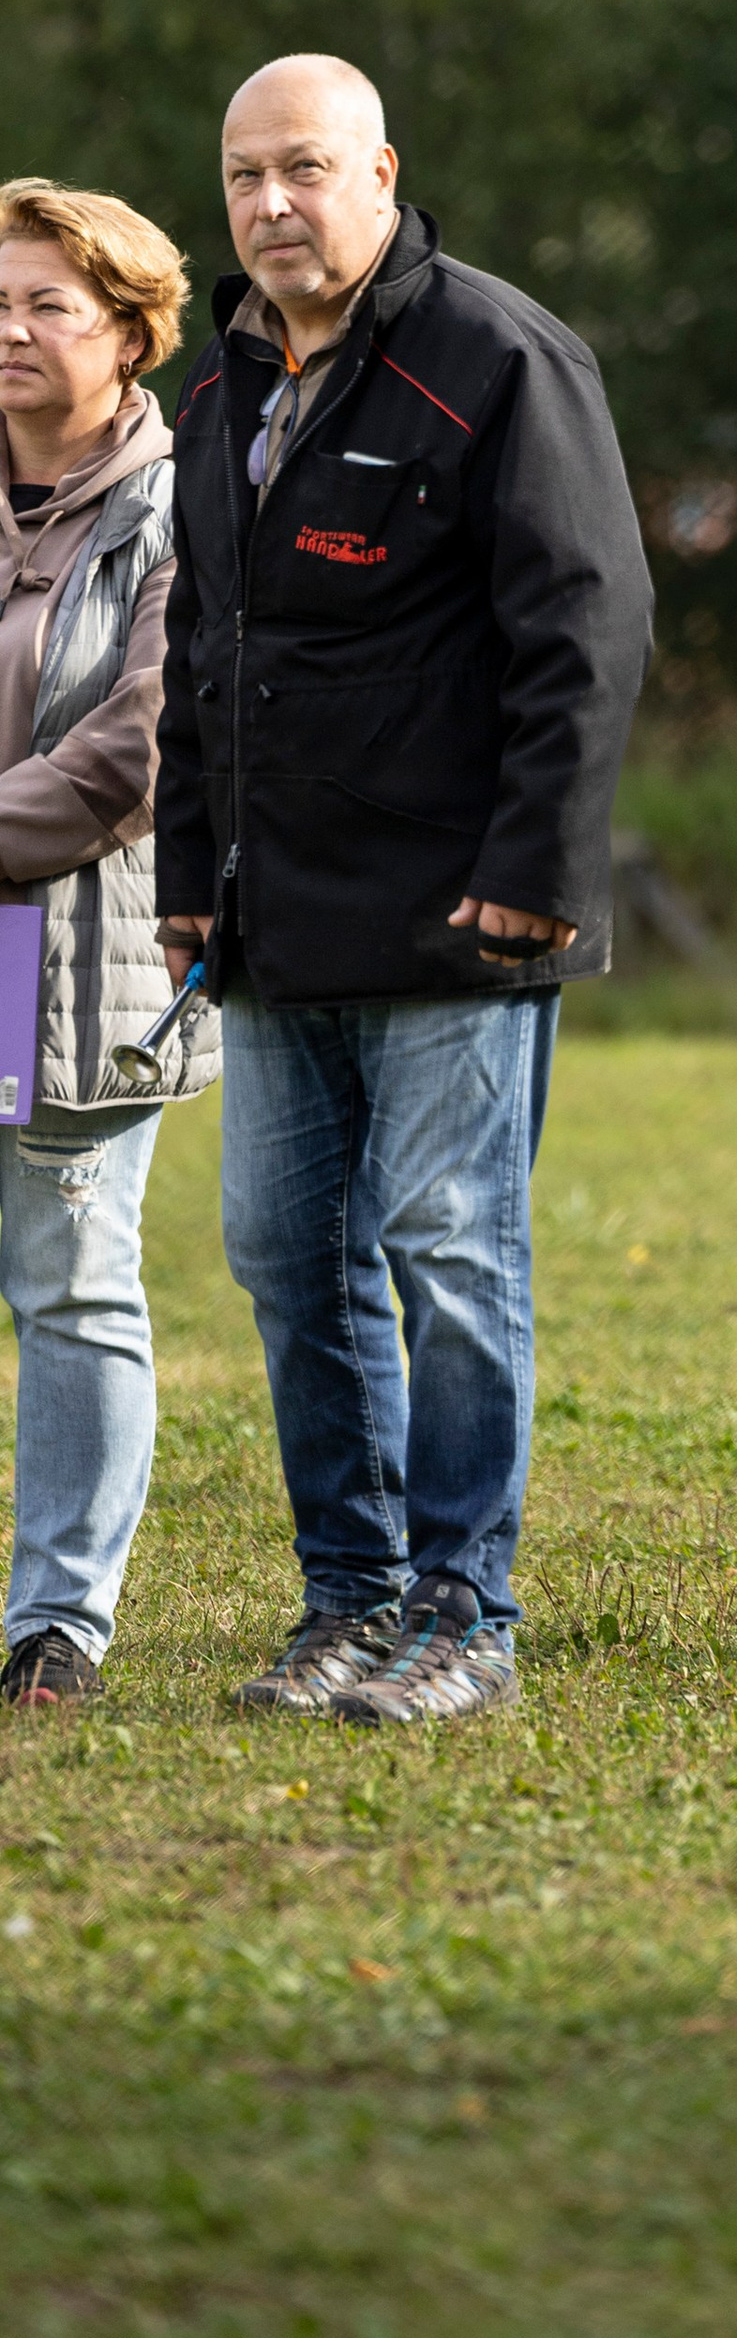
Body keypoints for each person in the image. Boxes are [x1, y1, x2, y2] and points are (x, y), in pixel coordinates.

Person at [156, 56, 652, 1727]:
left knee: (448, 1248)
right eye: (244, 177)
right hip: (272, 916)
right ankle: (348, 1602)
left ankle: (466, 1609)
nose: (273, 205)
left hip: (459, 913)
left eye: (305, 168)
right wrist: (183, 868)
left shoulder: (495, 356)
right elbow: (199, 656)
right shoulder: (218, 388)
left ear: (381, 170)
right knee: (286, 1258)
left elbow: (588, 628)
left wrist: (540, 871)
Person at [0, 180, 217, 1712]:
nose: (8, 332)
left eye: (45, 306)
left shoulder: (178, 505)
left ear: (133, 335)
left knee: (70, 1275)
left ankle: (58, 1623)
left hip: (76, 950)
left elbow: (139, 751)